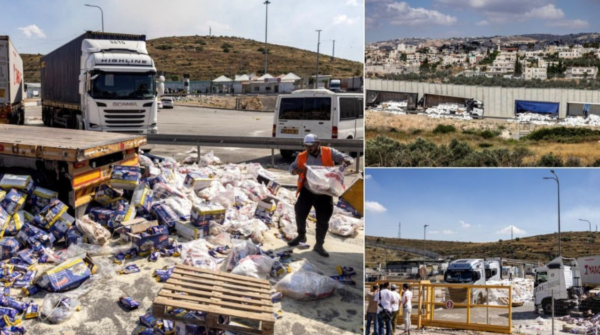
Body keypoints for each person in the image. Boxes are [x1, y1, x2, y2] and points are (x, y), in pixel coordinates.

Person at [288, 134, 353, 257]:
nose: (309, 149)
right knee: (300, 213)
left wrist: (347, 160)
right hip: (307, 190)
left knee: (323, 220)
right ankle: (301, 236)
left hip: (324, 192)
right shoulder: (302, 156)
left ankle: (319, 245)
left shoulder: (329, 152)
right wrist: (295, 171)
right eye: (306, 146)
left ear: (318, 143)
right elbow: (292, 167)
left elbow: (345, 157)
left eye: (311, 146)